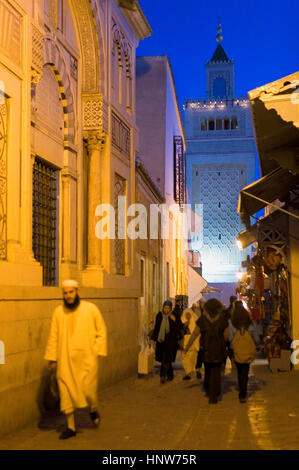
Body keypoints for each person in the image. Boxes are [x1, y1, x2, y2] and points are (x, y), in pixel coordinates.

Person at [44, 280, 107, 439]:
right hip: (65, 361)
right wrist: (52, 359)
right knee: (66, 395)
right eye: (65, 293)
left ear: (77, 292)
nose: (68, 296)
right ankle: (71, 427)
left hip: (86, 360)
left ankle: (92, 409)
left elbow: (101, 330)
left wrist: (97, 350)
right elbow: (53, 336)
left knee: (88, 392)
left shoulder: (90, 309)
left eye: (71, 292)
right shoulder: (59, 312)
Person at [185, 299, 229, 404]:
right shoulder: (223, 320)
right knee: (217, 371)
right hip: (219, 349)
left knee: (208, 370)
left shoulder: (202, 320)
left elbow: (195, 334)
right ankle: (215, 392)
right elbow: (226, 336)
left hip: (206, 349)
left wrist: (187, 346)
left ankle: (209, 390)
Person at [229, 304, 259, 403]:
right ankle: (243, 393)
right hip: (247, 351)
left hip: (237, 351)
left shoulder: (231, 323)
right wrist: (255, 345)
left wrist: (232, 347)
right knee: (245, 371)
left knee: (239, 370)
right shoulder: (251, 323)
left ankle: (241, 392)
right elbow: (256, 338)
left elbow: (230, 338)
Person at [149, 300, 183, 384]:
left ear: (171, 308)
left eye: (168, 308)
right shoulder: (159, 316)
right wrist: (152, 339)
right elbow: (156, 328)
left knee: (166, 360)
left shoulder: (174, 315)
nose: (166, 310)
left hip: (171, 342)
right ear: (163, 308)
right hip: (161, 341)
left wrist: (175, 320)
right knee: (165, 360)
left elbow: (180, 326)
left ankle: (162, 376)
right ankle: (170, 375)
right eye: (165, 308)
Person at [181, 308, 200, 380]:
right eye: (187, 314)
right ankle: (187, 373)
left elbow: (196, 332)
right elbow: (180, 331)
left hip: (193, 342)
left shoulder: (195, 320)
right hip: (184, 342)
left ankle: (193, 371)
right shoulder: (182, 320)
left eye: (189, 314)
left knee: (192, 357)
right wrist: (185, 325)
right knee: (185, 357)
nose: (188, 316)